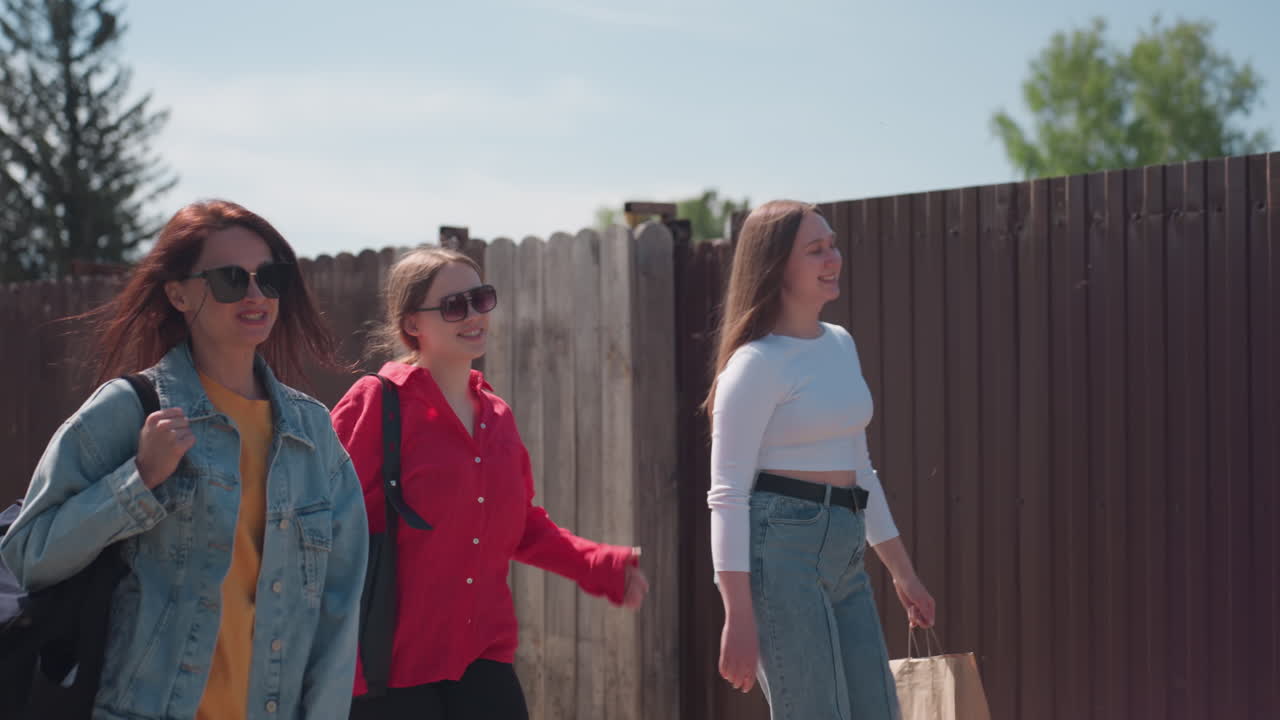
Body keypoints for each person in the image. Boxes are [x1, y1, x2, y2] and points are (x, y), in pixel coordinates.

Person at [0, 200, 369, 720]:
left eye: (270, 277)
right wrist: (138, 482)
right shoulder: (126, 411)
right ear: (177, 293)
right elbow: (28, 555)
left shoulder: (313, 436)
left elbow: (337, 610)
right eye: (230, 279)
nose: (256, 294)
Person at [333, 247, 649, 720]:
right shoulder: (377, 403)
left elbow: (519, 525)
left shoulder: (497, 416)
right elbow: (321, 523)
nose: (474, 315)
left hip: (483, 654)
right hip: (391, 670)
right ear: (412, 324)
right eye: (454, 306)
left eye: (480, 299)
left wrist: (600, 566)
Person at [706, 200, 936, 720]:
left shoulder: (840, 344)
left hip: (845, 553)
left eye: (832, 245)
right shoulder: (754, 365)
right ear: (775, 265)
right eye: (815, 250)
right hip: (780, 555)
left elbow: (862, 470)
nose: (833, 257)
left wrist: (904, 574)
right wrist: (737, 616)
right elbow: (727, 496)